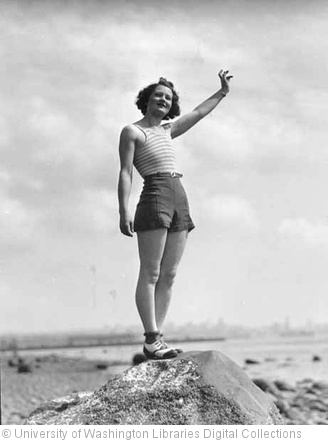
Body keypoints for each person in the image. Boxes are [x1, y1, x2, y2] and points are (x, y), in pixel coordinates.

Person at [118, 70, 233, 360]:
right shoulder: (133, 131)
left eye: (168, 98)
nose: (163, 100)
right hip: (154, 194)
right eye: (158, 95)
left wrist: (221, 93)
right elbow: (125, 172)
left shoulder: (168, 130)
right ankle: (151, 338)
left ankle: (157, 340)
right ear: (146, 99)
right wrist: (123, 209)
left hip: (178, 195)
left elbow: (198, 112)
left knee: (169, 274)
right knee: (151, 271)